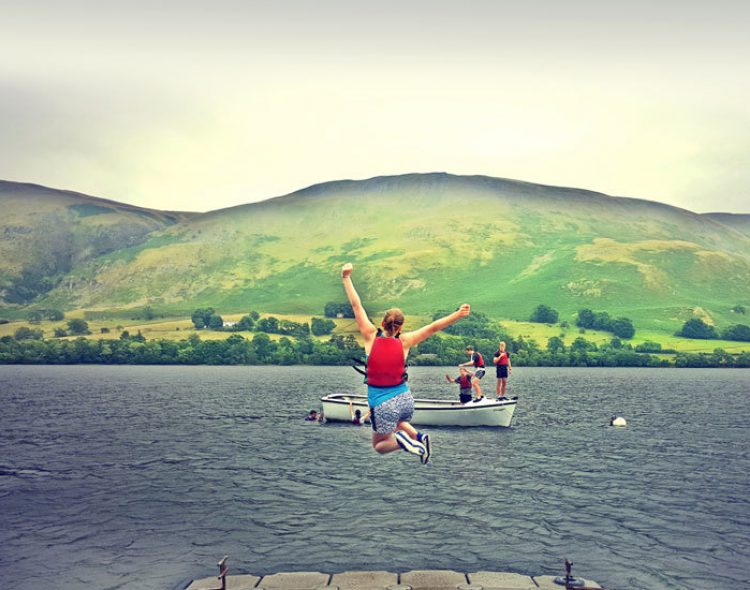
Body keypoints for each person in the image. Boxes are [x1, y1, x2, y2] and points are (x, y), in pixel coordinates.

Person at [341, 262, 470, 463]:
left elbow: (356, 305)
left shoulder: (369, 335)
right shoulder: (406, 341)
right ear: (400, 327)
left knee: (379, 446)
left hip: (382, 404)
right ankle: (419, 437)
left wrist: (346, 277)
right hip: (405, 400)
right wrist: (457, 314)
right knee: (398, 420)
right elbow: (434, 327)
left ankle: (402, 443)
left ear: (382, 323)